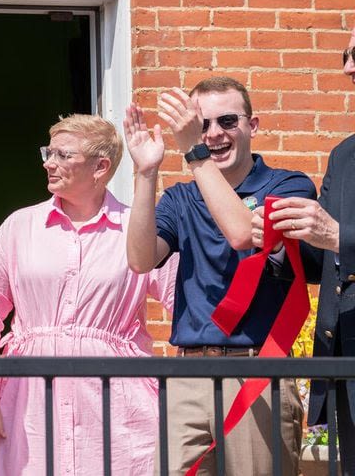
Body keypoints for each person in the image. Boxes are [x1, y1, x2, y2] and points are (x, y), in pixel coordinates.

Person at [124, 76, 316, 475]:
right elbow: (141, 260)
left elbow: (243, 234)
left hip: (257, 371)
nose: (213, 134)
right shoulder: (180, 197)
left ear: (253, 125)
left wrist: (195, 155)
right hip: (187, 374)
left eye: (227, 121)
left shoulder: (287, 184)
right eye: (203, 124)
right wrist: (145, 174)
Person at [0, 114, 177, 475]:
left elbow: (188, 307)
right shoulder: (21, 227)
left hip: (117, 403)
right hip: (27, 399)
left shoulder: (137, 229)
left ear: (101, 167)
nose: (49, 162)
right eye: (48, 152)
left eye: (63, 155)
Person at [252, 29, 355, 475]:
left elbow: (338, 240)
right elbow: (327, 263)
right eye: (346, 54)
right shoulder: (345, 155)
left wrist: (337, 235)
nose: (347, 67)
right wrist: (279, 244)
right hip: (347, 369)